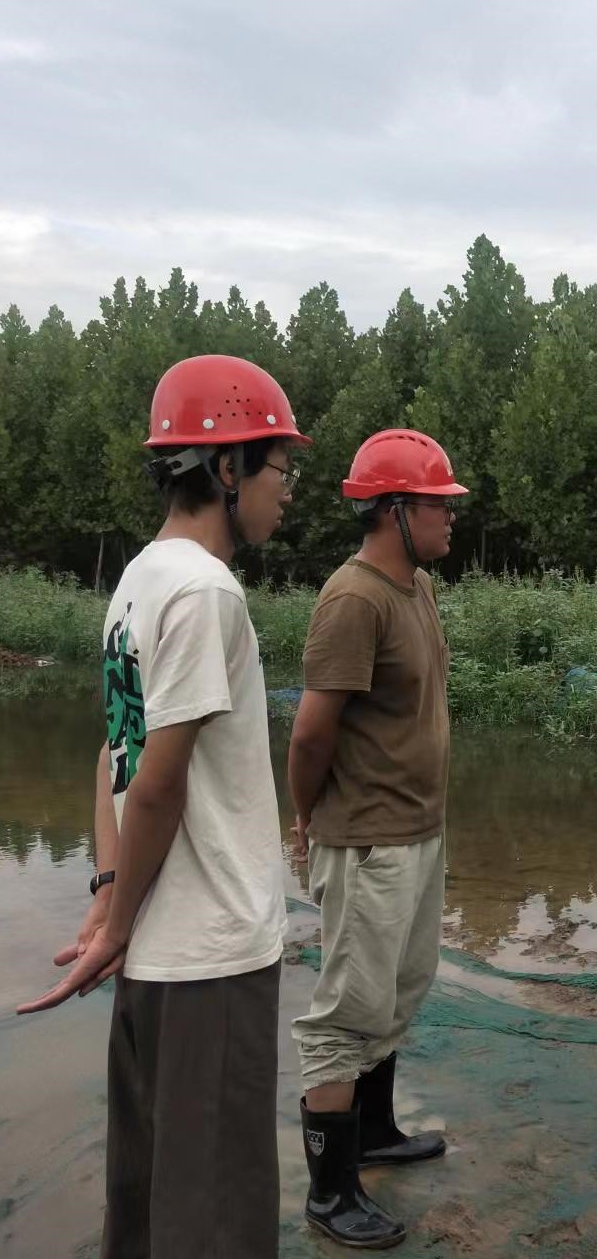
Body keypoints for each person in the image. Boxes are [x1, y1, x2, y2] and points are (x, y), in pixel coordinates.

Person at [16, 354, 310, 1258]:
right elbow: (159, 781)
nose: (289, 490)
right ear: (225, 469)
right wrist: (118, 918)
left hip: (157, 958)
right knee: (213, 1215)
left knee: (145, 1205)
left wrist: (110, 893)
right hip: (210, 956)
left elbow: (114, 751)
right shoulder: (203, 591)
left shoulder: (137, 580)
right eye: (279, 467)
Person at [288, 428, 466, 1248]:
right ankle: (330, 1193)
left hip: (417, 831)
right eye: (439, 504)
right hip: (367, 840)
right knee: (345, 1014)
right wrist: (306, 816)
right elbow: (311, 734)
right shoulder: (353, 599)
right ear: (394, 510)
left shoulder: (417, 588)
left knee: (400, 985)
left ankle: (378, 1128)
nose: (450, 517)